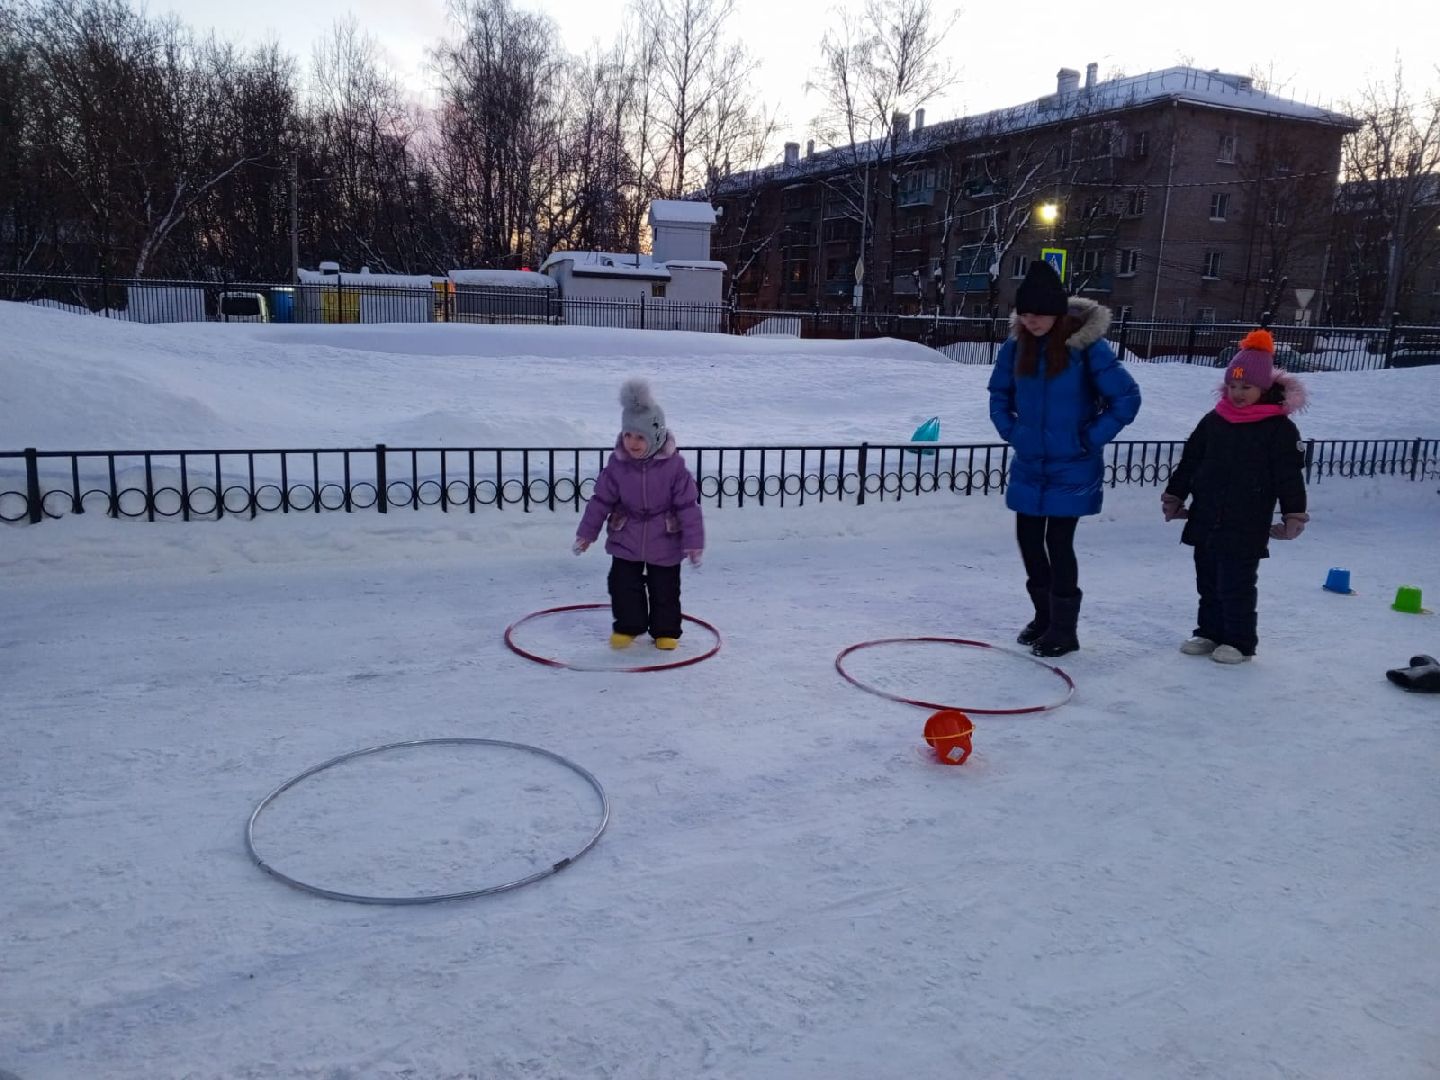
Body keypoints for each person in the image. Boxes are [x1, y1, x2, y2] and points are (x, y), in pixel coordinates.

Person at [987, 261, 1142, 657]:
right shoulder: (1015, 346)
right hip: (1030, 463)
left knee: (1059, 541)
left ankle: (1064, 630)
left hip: (1073, 462)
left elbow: (1126, 398)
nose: (1030, 320)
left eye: (1037, 312)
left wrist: (1089, 438)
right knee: (1028, 540)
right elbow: (999, 394)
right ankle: (1043, 617)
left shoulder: (1085, 348)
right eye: (1024, 312)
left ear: (1056, 312)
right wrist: (1012, 431)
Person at [1161, 329, 1309, 664]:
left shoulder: (1278, 428)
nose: (1239, 393)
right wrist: (1175, 495)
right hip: (1206, 514)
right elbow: (1191, 460)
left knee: (1236, 583)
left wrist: (1294, 514)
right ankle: (1208, 633)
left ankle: (1240, 641)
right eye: (1234, 386)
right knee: (1208, 580)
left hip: (1247, 520)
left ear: (1264, 388)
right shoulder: (1214, 420)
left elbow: (1288, 476)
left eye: (1247, 387)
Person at [574, 379, 704, 650]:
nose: (632, 443)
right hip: (627, 534)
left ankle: (664, 630)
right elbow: (600, 501)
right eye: (627, 435)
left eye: (640, 437)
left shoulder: (675, 469)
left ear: (656, 436)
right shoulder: (617, 466)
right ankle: (629, 625)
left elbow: (688, 507)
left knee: (665, 588)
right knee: (622, 584)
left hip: (664, 536)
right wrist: (587, 534)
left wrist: (693, 542)